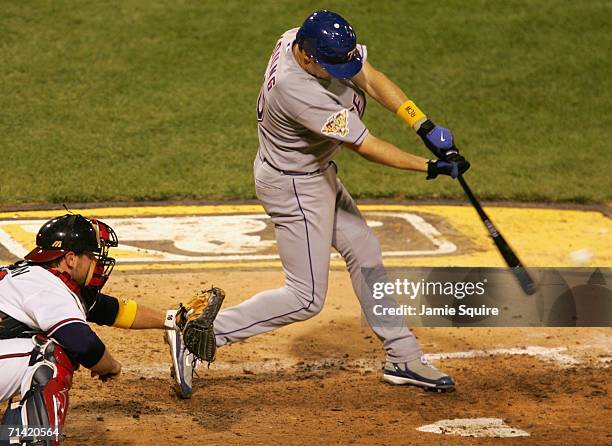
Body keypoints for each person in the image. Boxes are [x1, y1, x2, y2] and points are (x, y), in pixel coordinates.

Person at [209, 10, 470, 391]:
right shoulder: (295, 89)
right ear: (306, 57)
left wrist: (422, 124)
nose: (338, 71)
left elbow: (367, 75)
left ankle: (403, 358)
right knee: (305, 298)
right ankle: (202, 334)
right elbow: (367, 146)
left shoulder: (301, 38)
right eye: (330, 66)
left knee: (365, 250)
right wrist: (430, 166)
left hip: (315, 174)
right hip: (295, 186)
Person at [0, 214, 197, 445]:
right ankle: (25, 441)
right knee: (51, 355)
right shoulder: (47, 288)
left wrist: (172, 319)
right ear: (71, 258)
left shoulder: (35, 276)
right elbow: (83, 344)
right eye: (92, 256)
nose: (98, 263)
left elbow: (108, 310)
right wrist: (110, 366)